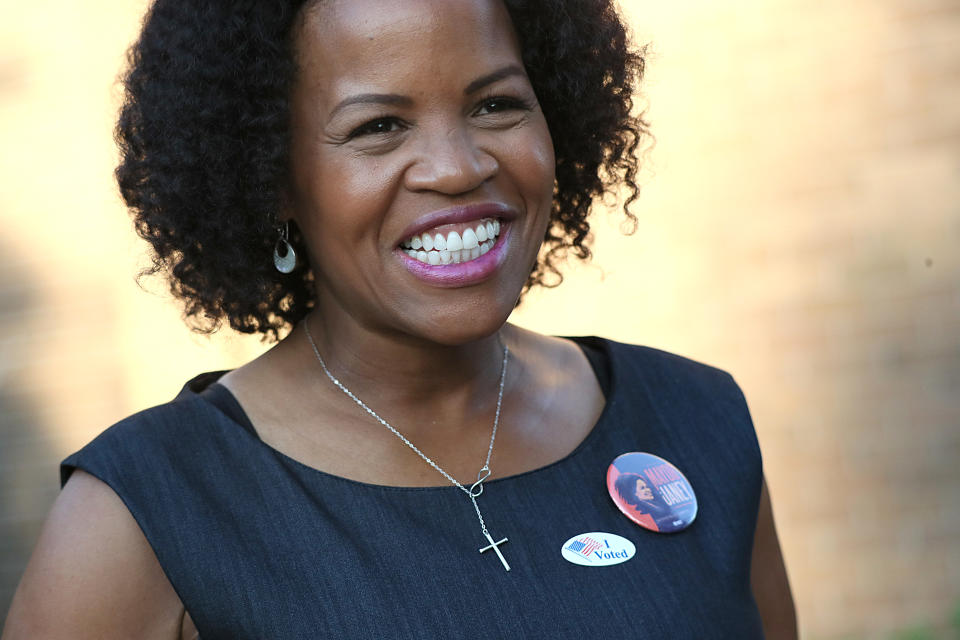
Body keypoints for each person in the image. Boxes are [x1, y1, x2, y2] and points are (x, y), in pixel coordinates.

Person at [2, 0, 797, 638]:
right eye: (378, 126)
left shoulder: (698, 422)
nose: (457, 167)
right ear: (272, 175)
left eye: (496, 104)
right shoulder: (149, 513)